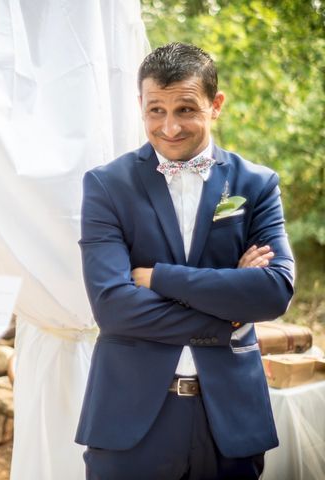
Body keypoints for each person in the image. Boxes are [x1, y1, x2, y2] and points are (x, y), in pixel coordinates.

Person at [76, 42, 295, 479]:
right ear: (140, 105)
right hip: (130, 419)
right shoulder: (106, 186)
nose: (170, 127)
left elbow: (273, 292)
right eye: (155, 110)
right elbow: (113, 307)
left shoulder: (257, 184)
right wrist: (229, 311)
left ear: (215, 105)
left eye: (186, 109)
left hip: (231, 419)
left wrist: (161, 277)